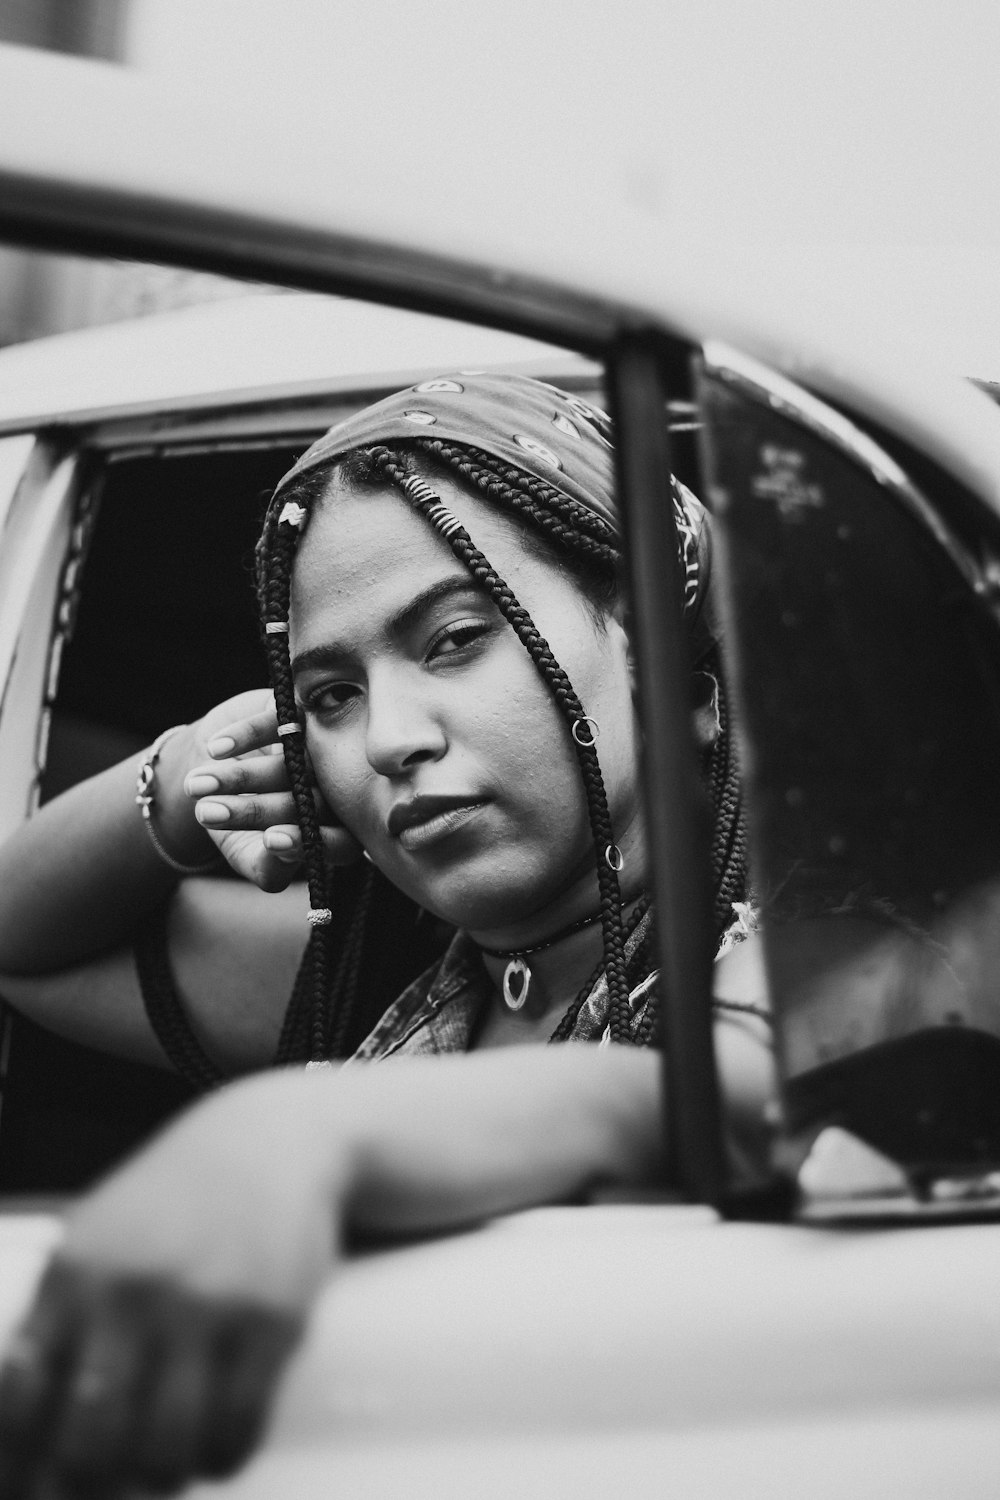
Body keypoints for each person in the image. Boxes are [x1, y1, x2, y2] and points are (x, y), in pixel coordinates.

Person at [0, 374, 772, 1495]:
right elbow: (24, 950)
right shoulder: (375, 978)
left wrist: (300, 1133)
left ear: (664, 658)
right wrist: (186, 781)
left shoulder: (828, 930)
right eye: (329, 696)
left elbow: (741, 1092)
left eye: (455, 638)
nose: (388, 739)